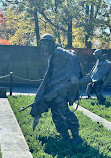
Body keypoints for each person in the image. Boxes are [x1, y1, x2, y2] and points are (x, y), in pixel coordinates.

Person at [30, 34, 91, 143]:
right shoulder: (53, 54)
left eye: (46, 43)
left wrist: (74, 75)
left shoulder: (59, 52)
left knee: (64, 112)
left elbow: (73, 57)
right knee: (56, 114)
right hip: (54, 89)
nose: (44, 46)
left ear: (51, 43)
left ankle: (76, 136)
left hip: (60, 90)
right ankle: (65, 136)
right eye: (42, 43)